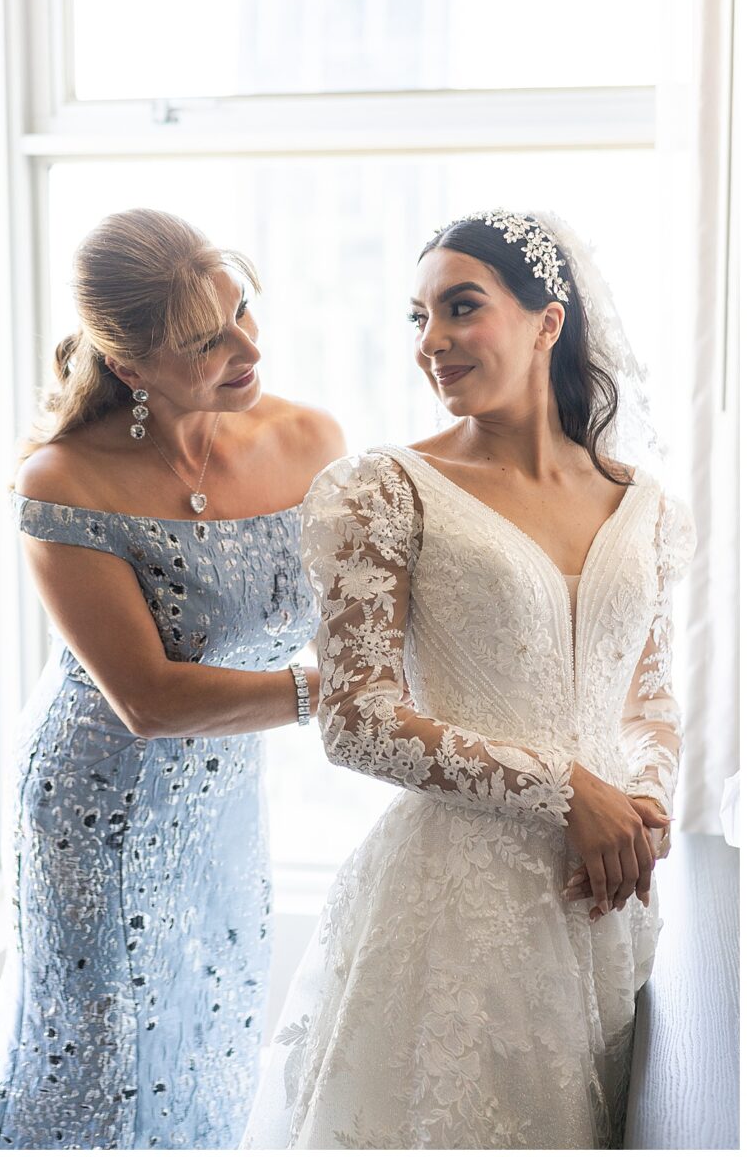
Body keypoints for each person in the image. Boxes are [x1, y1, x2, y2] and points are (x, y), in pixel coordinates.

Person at [242, 210, 695, 1151]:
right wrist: (566, 789)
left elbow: (647, 700)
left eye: (460, 309)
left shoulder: (643, 504)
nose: (432, 343)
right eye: (416, 319)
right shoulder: (381, 490)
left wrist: (640, 809)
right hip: (456, 912)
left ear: (547, 322)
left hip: (608, 898)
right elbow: (357, 721)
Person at [0, 212, 344, 1152]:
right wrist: (325, 693)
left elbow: (371, 604)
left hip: (227, 802)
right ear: (130, 369)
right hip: (94, 808)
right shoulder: (65, 481)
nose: (249, 347)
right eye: (208, 343)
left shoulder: (313, 439)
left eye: (242, 312)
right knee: (93, 1061)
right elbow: (148, 700)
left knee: (209, 1039)